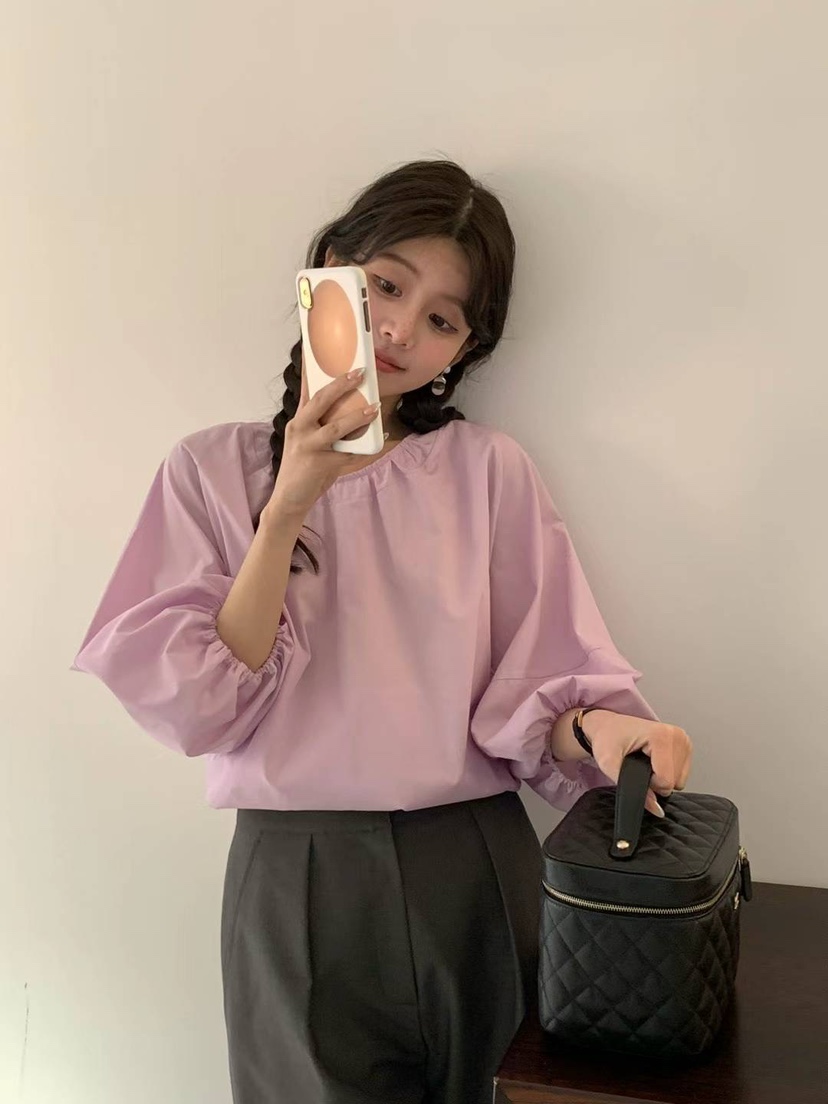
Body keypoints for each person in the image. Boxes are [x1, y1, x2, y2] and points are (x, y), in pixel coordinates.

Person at [71, 159, 692, 1104]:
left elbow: (536, 693)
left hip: (476, 865)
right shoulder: (210, 472)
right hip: (296, 876)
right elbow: (200, 707)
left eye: (443, 319)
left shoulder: (486, 472)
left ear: (464, 350)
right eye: (387, 285)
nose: (401, 330)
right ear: (328, 267)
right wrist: (287, 505)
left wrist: (604, 727)